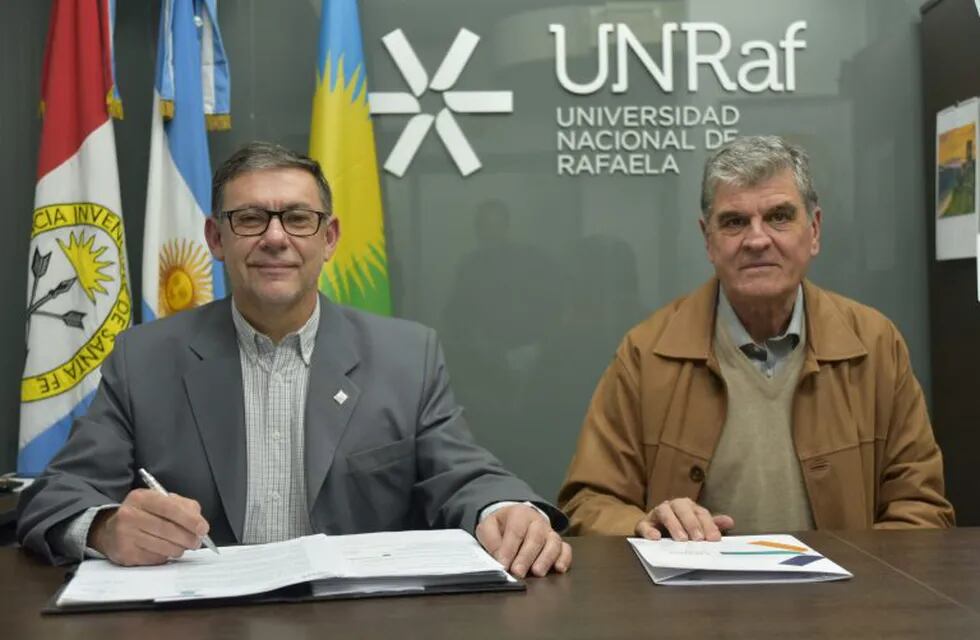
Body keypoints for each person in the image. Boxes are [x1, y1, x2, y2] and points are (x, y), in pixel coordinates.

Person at [18, 141, 572, 579]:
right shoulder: (145, 358)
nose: (276, 238)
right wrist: (106, 528)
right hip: (204, 621)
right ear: (215, 238)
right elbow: (59, 495)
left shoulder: (407, 356)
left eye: (299, 219)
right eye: (251, 219)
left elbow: (463, 474)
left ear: (328, 238)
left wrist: (503, 509)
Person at [558, 135, 955, 541]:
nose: (757, 239)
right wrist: (644, 528)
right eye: (734, 222)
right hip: (692, 602)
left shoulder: (875, 345)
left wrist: (860, 591)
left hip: (842, 602)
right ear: (708, 240)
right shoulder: (645, 353)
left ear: (814, 230)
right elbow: (588, 502)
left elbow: (920, 508)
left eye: (779, 217)